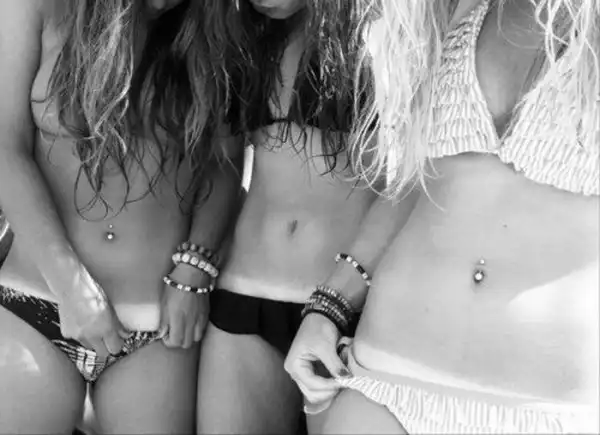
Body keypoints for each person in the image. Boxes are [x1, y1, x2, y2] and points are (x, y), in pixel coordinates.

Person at [285, 0, 600, 433]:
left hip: (550, 404)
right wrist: (329, 306)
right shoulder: (452, 10)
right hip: (386, 382)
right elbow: (416, 187)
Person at [0, 0, 242, 433]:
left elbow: (225, 164)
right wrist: (71, 286)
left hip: (159, 327)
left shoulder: (218, 24)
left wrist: (194, 269)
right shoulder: (36, 6)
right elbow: (5, 149)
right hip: (36, 301)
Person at [195, 0, 386, 433]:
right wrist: (195, 264)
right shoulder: (242, 38)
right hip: (244, 295)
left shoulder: (387, 31)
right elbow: (222, 167)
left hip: (349, 307)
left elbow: (407, 187)